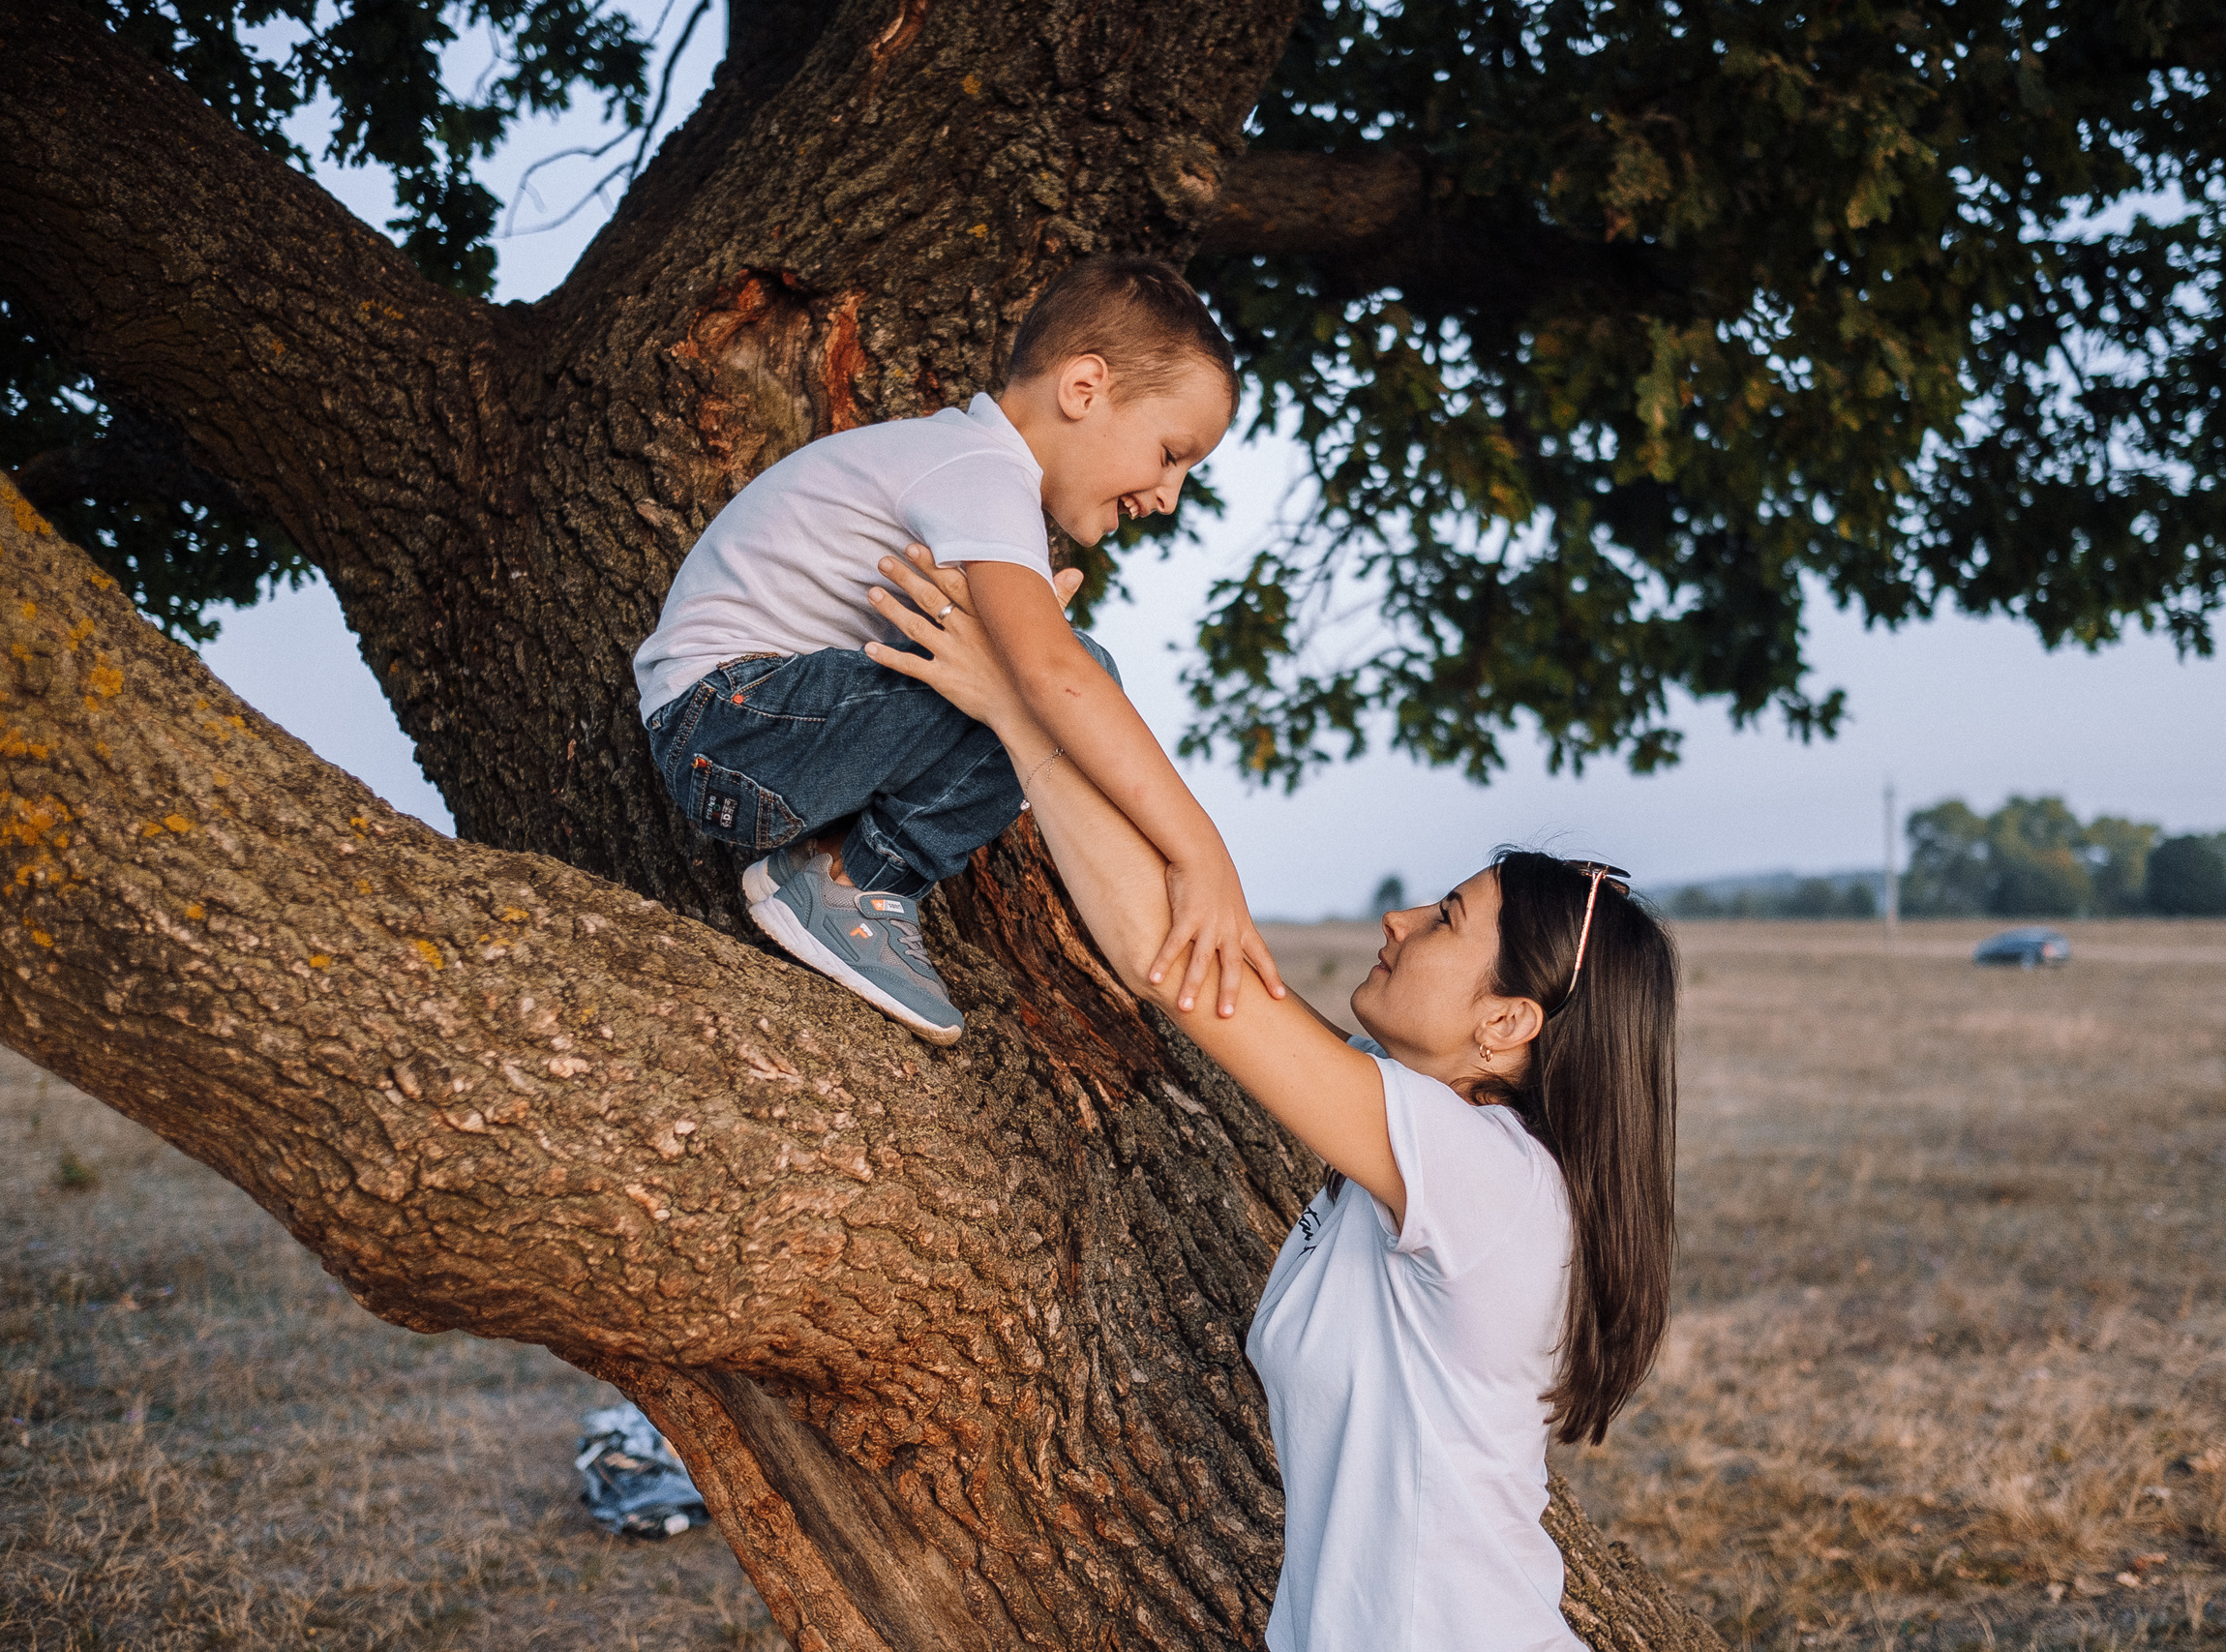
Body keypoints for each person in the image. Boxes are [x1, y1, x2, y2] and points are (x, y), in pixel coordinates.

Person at [860, 548, 1680, 1652]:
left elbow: (1176, 964)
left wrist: (1021, 709)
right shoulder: (1409, 1141)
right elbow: (1200, 953)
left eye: (1444, 919)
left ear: (1507, 1025)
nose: (1398, 921)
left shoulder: (1485, 1176)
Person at [632, 256, 1285, 1045]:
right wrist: (1202, 853)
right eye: (1171, 454)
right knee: (1067, 680)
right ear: (1085, 389)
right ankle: (852, 882)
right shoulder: (981, 473)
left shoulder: (965, 471)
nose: (1168, 497)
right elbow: (1056, 679)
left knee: (1035, 683)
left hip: (742, 736)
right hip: (731, 720)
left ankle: (844, 878)